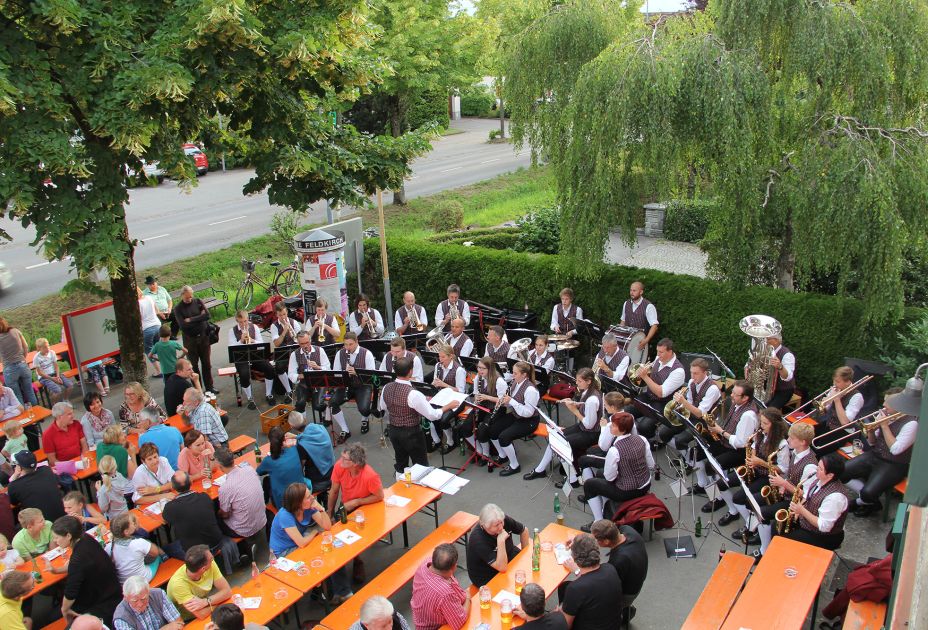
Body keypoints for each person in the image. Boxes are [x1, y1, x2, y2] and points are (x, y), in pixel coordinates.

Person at [842, 388, 916, 517]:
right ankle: (870, 501)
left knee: (868, 492)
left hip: (894, 464)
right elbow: (872, 443)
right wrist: (871, 430)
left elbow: (896, 450)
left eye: (888, 402)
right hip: (875, 455)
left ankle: (860, 501)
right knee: (840, 471)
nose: (884, 405)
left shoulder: (912, 424)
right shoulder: (886, 415)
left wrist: (884, 426)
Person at [378, 357, 458, 475]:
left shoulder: (386, 387)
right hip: (411, 433)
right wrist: (448, 406)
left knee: (400, 462)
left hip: (394, 430)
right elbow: (433, 415)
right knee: (421, 465)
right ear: (410, 371)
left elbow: (383, 407)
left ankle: (400, 482)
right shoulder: (413, 393)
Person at [719, 408, 789, 537]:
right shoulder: (760, 434)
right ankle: (735, 512)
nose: (761, 426)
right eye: (761, 422)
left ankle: (751, 526)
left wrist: (761, 462)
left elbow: (783, 469)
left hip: (768, 477)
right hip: (755, 470)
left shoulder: (782, 444)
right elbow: (753, 450)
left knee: (740, 498)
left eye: (765, 423)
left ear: (775, 425)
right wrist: (752, 456)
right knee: (722, 483)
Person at [525, 368, 602, 487]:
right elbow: (585, 408)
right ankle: (540, 470)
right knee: (555, 437)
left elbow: (589, 425)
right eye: (576, 380)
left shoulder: (592, 399)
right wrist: (574, 403)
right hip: (584, 428)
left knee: (560, 444)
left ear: (589, 381)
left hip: (591, 433)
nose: (576, 383)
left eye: (579, 381)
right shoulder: (587, 392)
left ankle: (572, 480)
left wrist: (574, 410)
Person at [753, 422, 819, 555]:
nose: (788, 440)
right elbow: (792, 475)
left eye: (792, 438)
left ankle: (765, 550)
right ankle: (762, 536)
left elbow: (806, 496)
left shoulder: (810, 466)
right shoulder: (796, 452)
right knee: (755, 501)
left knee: (762, 513)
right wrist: (783, 485)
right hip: (787, 494)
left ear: (803, 442)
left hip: (795, 504)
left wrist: (784, 484)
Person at [579, 412, 654, 527]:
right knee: (600, 474)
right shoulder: (642, 439)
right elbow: (651, 464)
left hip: (627, 491)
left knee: (589, 485)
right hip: (645, 484)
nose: (610, 426)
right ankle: (608, 508)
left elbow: (610, 478)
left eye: (613, 425)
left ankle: (598, 523)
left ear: (622, 430)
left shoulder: (614, 450)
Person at [696, 380, 760, 513]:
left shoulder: (748, 415)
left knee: (711, 466)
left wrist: (720, 431)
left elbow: (740, 442)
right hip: (726, 442)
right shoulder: (737, 403)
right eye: (732, 392)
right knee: (699, 452)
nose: (731, 395)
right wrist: (715, 427)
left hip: (740, 451)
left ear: (745, 398)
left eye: (735, 394)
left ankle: (725, 504)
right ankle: (708, 487)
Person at [326, 443, 384, 584]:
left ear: (355, 464)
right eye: (341, 457)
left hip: (365, 507)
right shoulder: (339, 467)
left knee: (357, 537)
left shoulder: (370, 476)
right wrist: (329, 514)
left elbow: (379, 496)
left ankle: (357, 562)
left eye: (345, 459)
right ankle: (343, 564)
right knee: (339, 534)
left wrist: (358, 502)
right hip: (346, 506)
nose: (340, 460)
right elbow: (334, 491)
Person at [53, 515, 122, 625]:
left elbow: (70, 592)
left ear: (68, 536)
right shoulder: (87, 538)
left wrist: (64, 610)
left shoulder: (78, 559)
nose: (55, 541)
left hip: (103, 604)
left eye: (56, 537)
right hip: (112, 590)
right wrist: (56, 570)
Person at [162, 471, 239, 571]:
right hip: (216, 543)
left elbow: (165, 520)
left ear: (173, 487)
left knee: (166, 548)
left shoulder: (171, 507)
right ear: (191, 482)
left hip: (196, 553)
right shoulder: (204, 497)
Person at [777, 455, 850, 551]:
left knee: (783, 542)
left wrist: (801, 510)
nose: (816, 469)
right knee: (776, 527)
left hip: (823, 536)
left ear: (830, 475)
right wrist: (797, 511)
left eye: (820, 468)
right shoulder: (819, 480)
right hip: (807, 523)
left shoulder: (835, 498)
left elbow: (824, 526)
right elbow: (808, 497)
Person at [558, 533, 622, 630]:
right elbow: (591, 582)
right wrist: (577, 570)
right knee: (564, 586)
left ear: (574, 557)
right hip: (613, 625)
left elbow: (566, 626)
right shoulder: (610, 568)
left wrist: (558, 613)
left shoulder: (575, 589)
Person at [488, 361, 540, 476]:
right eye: (513, 372)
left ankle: (514, 465)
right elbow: (512, 402)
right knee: (492, 430)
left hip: (529, 420)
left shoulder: (531, 390)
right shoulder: (516, 383)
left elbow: (528, 413)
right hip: (517, 415)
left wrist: (511, 401)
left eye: (515, 373)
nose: (512, 375)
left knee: (504, 437)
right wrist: (503, 402)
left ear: (524, 375)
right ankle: (503, 455)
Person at [214, 447, 268, 557]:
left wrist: (217, 512)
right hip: (262, 518)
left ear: (220, 465)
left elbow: (225, 514)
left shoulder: (225, 488)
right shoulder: (249, 469)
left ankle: (236, 552)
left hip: (245, 528)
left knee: (215, 517)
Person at [590, 519, 648, 618]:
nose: (594, 542)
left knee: (590, 595)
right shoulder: (627, 530)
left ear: (606, 541)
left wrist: (578, 571)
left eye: (596, 540)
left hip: (627, 594)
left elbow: (606, 586)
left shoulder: (618, 560)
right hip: (636, 577)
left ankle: (616, 615)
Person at [660, 357, 721, 450]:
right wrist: (679, 404)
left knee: (680, 440)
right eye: (691, 372)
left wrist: (683, 402)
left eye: (696, 373)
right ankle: (683, 452)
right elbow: (690, 401)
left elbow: (700, 414)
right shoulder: (691, 382)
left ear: (705, 373)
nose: (692, 376)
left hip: (705, 422)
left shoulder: (712, 389)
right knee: (663, 433)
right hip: (691, 415)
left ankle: (689, 456)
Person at [630, 338, 685, 440]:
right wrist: (643, 371)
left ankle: (652, 441)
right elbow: (652, 374)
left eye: (661, 352)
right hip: (649, 397)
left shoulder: (678, 371)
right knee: (626, 412)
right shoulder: (658, 358)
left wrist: (645, 377)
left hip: (663, 404)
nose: (658, 355)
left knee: (644, 427)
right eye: (657, 351)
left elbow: (661, 393)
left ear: (670, 352)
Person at [466, 504, 529, 587]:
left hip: (509, 555)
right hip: (488, 575)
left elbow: (524, 531)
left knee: (529, 570)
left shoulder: (499, 519)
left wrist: (525, 555)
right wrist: (501, 541)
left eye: (501, 522)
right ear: (484, 526)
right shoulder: (477, 540)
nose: (501, 527)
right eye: (496, 525)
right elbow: (502, 568)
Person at [459, 357, 507, 464]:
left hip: (496, 409)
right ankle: (478, 450)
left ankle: (486, 453)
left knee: (482, 430)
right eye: (478, 367)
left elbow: (503, 401)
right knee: (465, 427)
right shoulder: (478, 378)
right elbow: (476, 393)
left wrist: (487, 397)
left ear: (490, 369)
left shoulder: (499, 381)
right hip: (482, 407)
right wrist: (476, 398)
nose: (479, 370)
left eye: (483, 368)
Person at [410, 543, 470, 630]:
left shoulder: (424, 565)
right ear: (454, 567)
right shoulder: (445, 593)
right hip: (435, 627)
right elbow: (460, 621)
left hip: (421, 620)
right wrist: (468, 598)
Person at [331, 331, 377, 441]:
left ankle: (364, 419)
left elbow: (371, 375)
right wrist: (344, 373)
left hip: (363, 385)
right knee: (333, 403)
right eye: (345, 344)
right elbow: (335, 372)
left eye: (350, 344)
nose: (348, 347)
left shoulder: (367, 354)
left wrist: (357, 373)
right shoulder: (340, 354)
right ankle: (345, 430)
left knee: (364, 409)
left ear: (357, 342)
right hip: (346, 385)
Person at [167, 545, 232, 621]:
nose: (213, 559)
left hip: (207, 607)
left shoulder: (209, 564)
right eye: (211, 559)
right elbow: (202, 614)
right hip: (188, 620)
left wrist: (206, 602)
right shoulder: (178, 584)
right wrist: (218, 601)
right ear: (203, 569)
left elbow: (228, 592)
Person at [228, 310, 277, 409]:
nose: (243, 324)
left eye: (245, 321)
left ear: (248, 319)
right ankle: (250, 398)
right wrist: (241, 340)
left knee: (269, 368)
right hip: (241, 359)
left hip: (255, 356)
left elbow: (261, 343)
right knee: (244, 374)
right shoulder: (232, 331)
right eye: (241, 322)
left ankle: (268, 394)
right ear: (237, 321)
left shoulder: (254, 327)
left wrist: (252, 340)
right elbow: (232, 348)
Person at [173, 285, 215, 393]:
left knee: (207, 364)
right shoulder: (178, 309)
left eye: (191, 296)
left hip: (204, 338)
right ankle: (198, 390)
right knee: (193, 367)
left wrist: (191, 319)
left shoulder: (198, 301)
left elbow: (207, 316)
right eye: (187, 297)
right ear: (182, 295)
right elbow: (183, 326)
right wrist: (200, 318)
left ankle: (210, 387)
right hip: (190, 341)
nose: (189, 299)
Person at [267, 481, 328, 557]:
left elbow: (327, 526)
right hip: (283, 552)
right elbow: (301, 543)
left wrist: (321, 509)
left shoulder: (309, 506)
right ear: (298, 503)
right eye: (308, 497)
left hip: (297, 541)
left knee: (321, 545)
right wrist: (314, 532)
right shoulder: (285, 515)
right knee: (317, 552)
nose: (313, 497)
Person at [812, 366, 865, 450]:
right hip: (829, 424)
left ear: (847, 382)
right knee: (807, 437)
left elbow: (845, 422)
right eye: (834, 380)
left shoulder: (857, 397)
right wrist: (824, 404)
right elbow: (823, 411)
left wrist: (836, 400)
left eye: (837, 381)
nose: (834, 384)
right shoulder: (836, 389)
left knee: (818, 449)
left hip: (844, 431)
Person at [256, 426, 308, 508]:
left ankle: (265, 504)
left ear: (269, 441)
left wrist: (260, 460)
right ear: (284, 439)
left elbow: (258, 472)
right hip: (301, 494)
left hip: (284, 504)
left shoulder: (269, 461)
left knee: (266, 480)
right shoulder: (294, 449)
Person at [106, 513, 164, 583]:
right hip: (141, 580)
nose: (134, 524)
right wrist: (139, 528)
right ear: (126, 532)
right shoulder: (138, 543)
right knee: (157, 557)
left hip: (124, 583)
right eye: (133, 523)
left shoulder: (109, 547)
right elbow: (155, 552)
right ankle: (165, 565)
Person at [8, 451, 65, 521]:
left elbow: (14, 502)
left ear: (19, 468)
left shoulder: (14, 486)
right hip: (63, 516)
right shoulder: (46, 470)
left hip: (42, 523)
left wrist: (15, 476)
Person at [285, 411, 335, 490]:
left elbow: (300, 468)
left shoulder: (301, 445)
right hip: (332, 471)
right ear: (305, 420)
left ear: (291, 426)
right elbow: (309, 436)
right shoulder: (319, 427)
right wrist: (296, 437)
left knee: (290, 482)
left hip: (317, 481)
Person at [112, 575, 183, 630]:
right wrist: (165, 628)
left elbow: (178, 624)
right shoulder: (121, 618)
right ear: (125, 598)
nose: (140, 604)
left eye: (143, 599)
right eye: (134, 601)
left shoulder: (158, 594)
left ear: (148, 592)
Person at [286, 331, 332, 415]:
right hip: (304, 383)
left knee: (318, 405)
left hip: (319, 382)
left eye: (307, 342)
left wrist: (318, 367)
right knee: (300, 404)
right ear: (298, 343)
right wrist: (302, 376)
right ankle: (302, 422)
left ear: (310, 340)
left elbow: (328, 368)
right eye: (302, 344)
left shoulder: (320, 350)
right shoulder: (294, 354)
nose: (305, 346)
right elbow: (291, 374)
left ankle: (327, 411)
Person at [0, 317, 38, 407]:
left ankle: (24, 415)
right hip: (22, 364)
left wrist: (4, 361)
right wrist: (23, 358)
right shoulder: (15, 331)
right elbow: (26, 346)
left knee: (16, 395)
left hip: (9, 368)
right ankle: (37, 412)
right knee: (29, 391)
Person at [268, 301, 299, 402]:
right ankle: (289, 391)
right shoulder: (274, 326)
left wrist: (295, 336)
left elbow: (300, 338)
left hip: (295, 350)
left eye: (284, 314)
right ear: (277, 315)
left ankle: (302, 389)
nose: (283, 317)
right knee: (279, 368)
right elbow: (277, 344)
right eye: (280, 315)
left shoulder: (294, 322)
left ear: (287, 312)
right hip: (283, 353)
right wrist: (284, 331)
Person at [42, 400, 89, 467]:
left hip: (81, 462)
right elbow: (52, 460)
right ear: (59, 417)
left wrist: (83, 460)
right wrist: (69, 467)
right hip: (64, 468)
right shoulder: (47, 435)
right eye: (69, 414)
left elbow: (84, 445)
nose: (73, 416)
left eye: (72, 413)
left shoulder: (76, 424)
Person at [618, 281, 659, 355]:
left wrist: (646, 340)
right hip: (627, 341)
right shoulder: (626, 303)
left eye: (634, 290)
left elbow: (654, 326)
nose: (631, 293)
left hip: (640, 343)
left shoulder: (649, 306)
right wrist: (620, 335)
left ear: (641, 292)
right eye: (631, 290)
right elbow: (623, 321)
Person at [32, 337, 74, 403]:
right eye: (45, 347)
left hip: (54, 373)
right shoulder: (36, 358)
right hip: (44, 377)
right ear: (39, 348)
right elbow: (40, 373)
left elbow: (56, 366)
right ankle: (55, 405)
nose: (48, 348)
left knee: (70, 385)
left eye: (48, 346)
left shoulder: (52, 353)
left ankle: (65, 400)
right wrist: (52, 379)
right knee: (58, 390)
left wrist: (58, 376)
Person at [96, 454, 136, 520]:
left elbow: (103, 508)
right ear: (115, 467)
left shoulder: (103, 489)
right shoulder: (120, 476)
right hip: (126, 513)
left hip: (114, 519)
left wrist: (99, 491)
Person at [138, 287, 163, 377]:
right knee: (158, 347)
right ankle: (166, 367)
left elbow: (139, 317)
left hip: (146, 328)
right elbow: (156, 310)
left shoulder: (137, 303)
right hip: (157, 325)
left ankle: (158, 371)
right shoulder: (149, 297)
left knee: (149, 350)